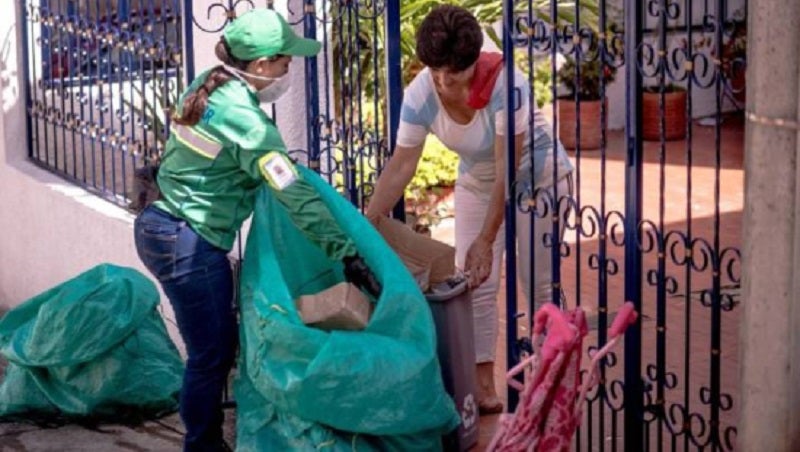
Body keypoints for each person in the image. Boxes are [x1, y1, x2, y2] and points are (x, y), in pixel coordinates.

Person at [133, 9, 380, 451]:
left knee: (212, 350)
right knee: (211, 356)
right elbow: (292, 192)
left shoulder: (211, 83)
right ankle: (203, 445)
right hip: (188, 242)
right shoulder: (247, 121)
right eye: (286, 61)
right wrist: (346, 252)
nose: (289, 69)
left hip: (160, 225)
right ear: (262, 65)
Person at [366, 5, 574, 415]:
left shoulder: (504, 85)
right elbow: (401, 167)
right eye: (435, 71)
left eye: (453, 73)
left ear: (474, 62)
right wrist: (366, 221)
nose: (443, 81)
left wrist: (486, 238)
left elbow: (506, 172)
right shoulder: (421, 93)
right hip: (479, 181)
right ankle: (484, 388)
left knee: (539, 286)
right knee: (474, 282)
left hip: (539, 180)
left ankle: (552, 382)